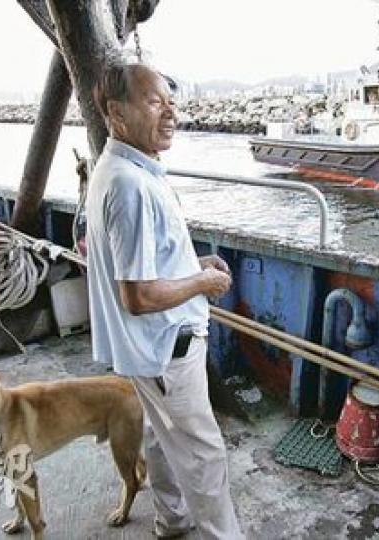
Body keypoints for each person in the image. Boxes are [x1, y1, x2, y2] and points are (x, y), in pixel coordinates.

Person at [86, 58, 244, 540]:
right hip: (165, 347)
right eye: (154, 102)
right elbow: (138, 294)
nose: (170, 113)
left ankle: (171, 519)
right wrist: (203, 285)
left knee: (159, 436)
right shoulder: (131, 185)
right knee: (202, 451)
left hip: (146, 353)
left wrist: (194, 265)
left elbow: (146, 265)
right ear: (116, 113)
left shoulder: (122, 168)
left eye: (171, 103)